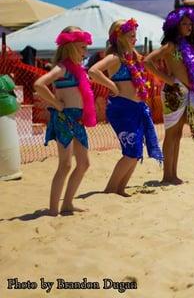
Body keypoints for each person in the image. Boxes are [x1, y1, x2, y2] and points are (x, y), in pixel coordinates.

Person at [89, 19, 163, 196]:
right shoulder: (115, 57)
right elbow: (93, 71)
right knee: (130, 152)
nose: (134, 36)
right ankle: (109, 190)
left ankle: (119, 189)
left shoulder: (130, 56)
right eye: (130, 33)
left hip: (136, 108)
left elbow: (144, 63)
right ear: (118, 36)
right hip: (123, 109)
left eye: (134, 34)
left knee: (135, 152)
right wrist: (112, 86)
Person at [33, 27, 96, 215]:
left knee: (84, 164)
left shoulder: (78, 69)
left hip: (77, 120)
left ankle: (67, 203)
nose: (85, 51)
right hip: (64, 118)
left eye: (86, 47)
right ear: (69, 47)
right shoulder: (62, 67)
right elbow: (38, 84)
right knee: (65, 164)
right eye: (82, 47)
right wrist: (55, 103)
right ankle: (53, 209)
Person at [144, 7, 194, 184]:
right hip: (174, 92)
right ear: (175, 26)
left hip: (186, 92)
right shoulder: (171, 45)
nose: (188, 26)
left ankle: (173, 174)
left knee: (177, 134)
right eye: (184, 23)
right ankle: (166, 176)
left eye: (190, 24)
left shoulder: (187, 46)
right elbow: (148, 61)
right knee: (171, 134)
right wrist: (168, 80)